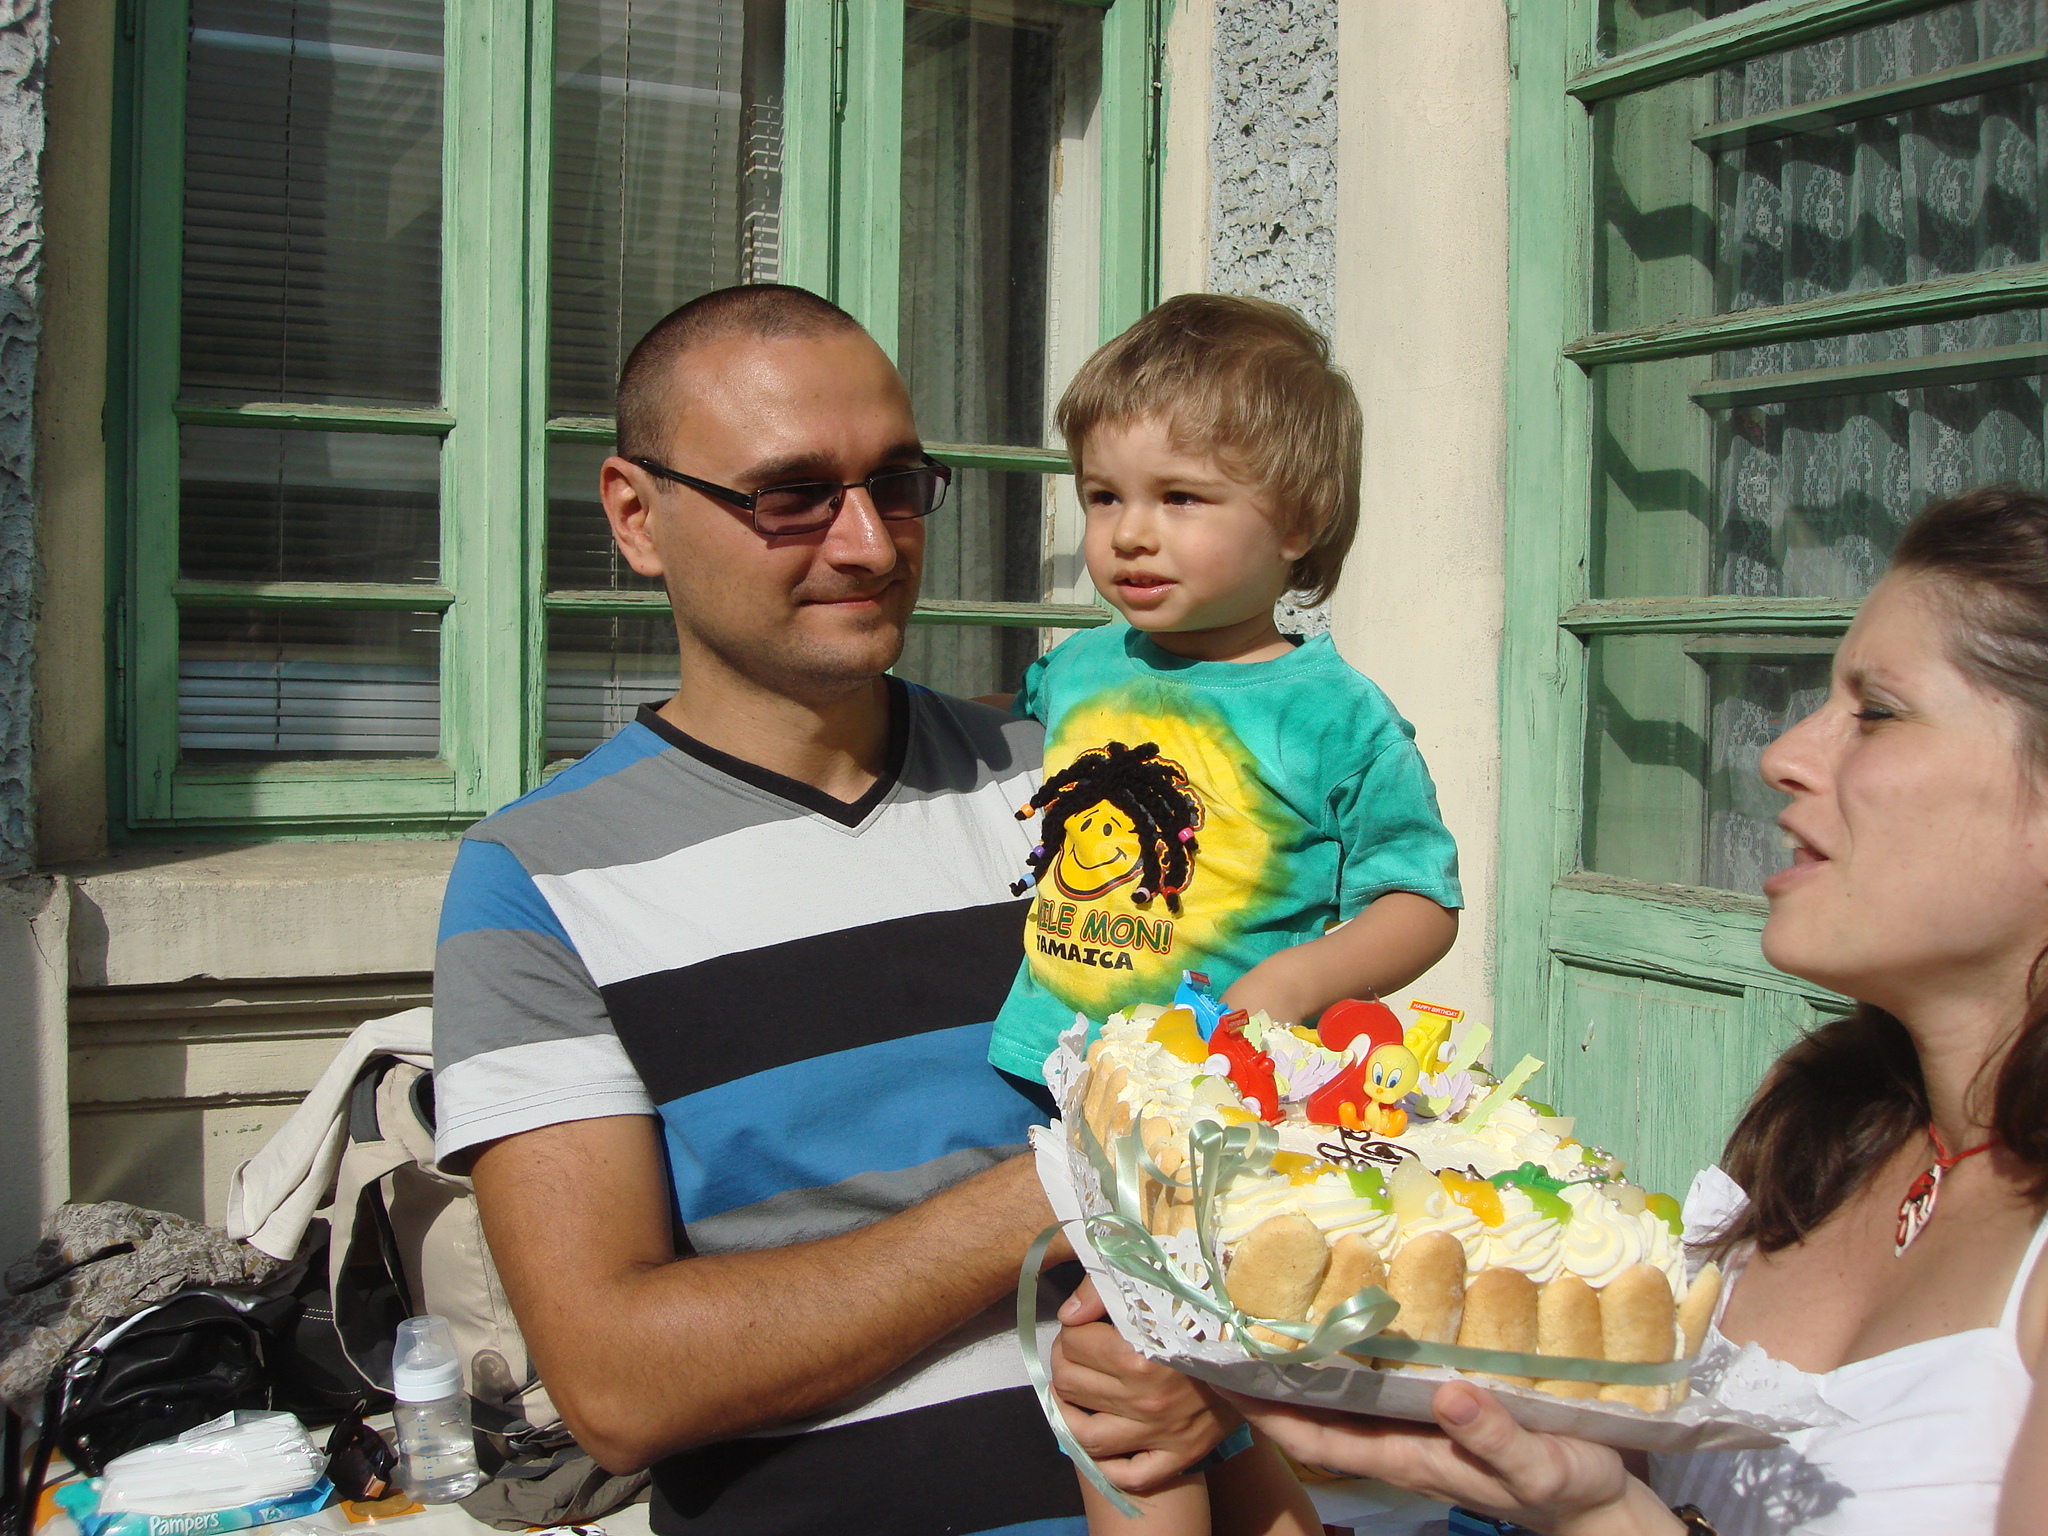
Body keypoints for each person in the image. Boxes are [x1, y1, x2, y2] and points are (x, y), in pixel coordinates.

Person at [430, 284, 1228, 1536]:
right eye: (790, 494)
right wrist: (1068, 1188)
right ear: (635, 516)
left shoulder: (1082, 792)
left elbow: (1255, 1157)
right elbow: (618, 1385)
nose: (868, 544)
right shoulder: (538, 880)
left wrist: (1225, 1378)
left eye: (896, 484)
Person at [1216, 484, 2048, 1536]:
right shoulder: (1827, 1120)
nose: (1783, 754)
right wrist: (1216, 1435)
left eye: (1876, 713)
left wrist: (1598, 1516)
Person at [985, 294, 1464, 1535]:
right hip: (1052, 1080)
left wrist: (1296, 984)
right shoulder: (1077, 667)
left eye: (1181, 498)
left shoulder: (1330, 713)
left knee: (1127, 1398)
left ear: (1296, 520)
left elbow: (1419, 899)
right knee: (1195, 1395)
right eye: (1102, 496)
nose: (1129, 534)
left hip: (1207, 1111)